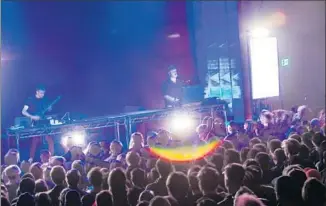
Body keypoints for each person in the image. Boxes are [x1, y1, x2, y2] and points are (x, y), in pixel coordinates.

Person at [21, 85, 54, 162]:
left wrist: (49, 108)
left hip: (43, 122)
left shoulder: (44, 100)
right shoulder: (30, 100)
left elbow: (48, 110)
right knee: (35, 140)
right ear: (37, 92)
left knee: (49, 139)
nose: (42, 95)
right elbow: (23, 111)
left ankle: (51, 158)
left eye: (43, 93)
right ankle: (31, 159)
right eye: (41, 93)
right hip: (34, 122)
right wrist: (32, 117)